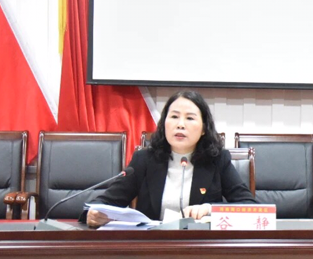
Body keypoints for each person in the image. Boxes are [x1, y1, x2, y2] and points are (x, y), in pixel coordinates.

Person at [84, 90, 255, 227]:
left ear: (204, 128)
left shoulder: (217, 160)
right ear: (164, 123)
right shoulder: (144, 160)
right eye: (174, 117)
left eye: (190, 118)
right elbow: (104, 203)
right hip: (153, 247)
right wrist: (91, 215)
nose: (180, 124)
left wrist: (209, 209)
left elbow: (249, 206)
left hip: (201, 246)